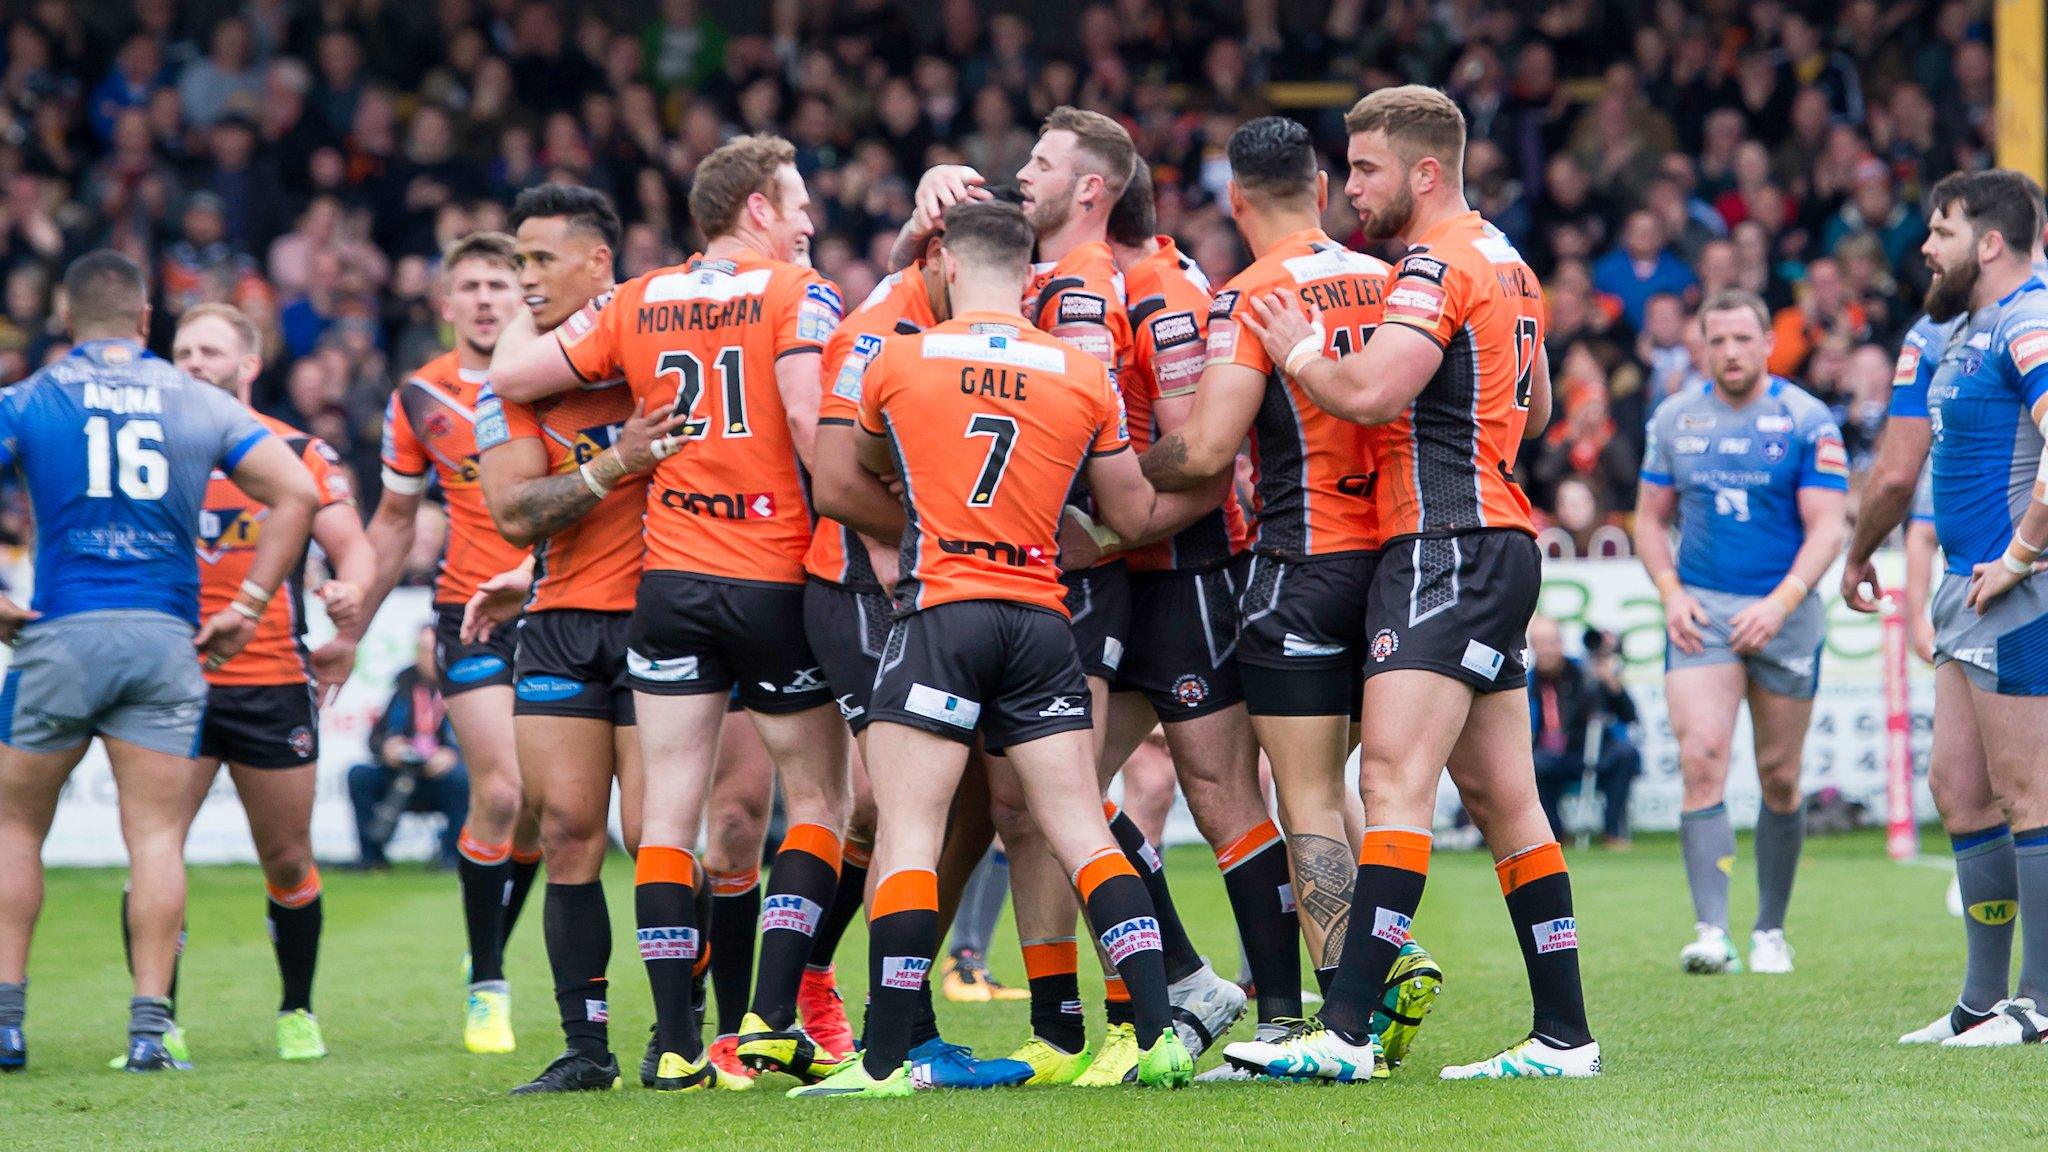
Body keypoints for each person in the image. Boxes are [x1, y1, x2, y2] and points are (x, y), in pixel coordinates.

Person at [794, 197, 1208, 1097]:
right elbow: (1129, 511)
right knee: (1080, 827)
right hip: (1042, 618)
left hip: (942, 608)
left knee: (909, 829)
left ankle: (882, 1060)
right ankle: (1153, 1035)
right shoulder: (1079, 372)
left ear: (942, 264)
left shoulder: (900, 359)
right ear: (1029, 276)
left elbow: (853, 471)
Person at [1221, 85, 1594, 1082]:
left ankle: (1341, 1034)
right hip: (1499, 539)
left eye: (1368, 170)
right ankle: (1564, 1035)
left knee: (1388, 779)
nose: (1349, 190)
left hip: (1441, 544)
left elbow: (1372, 390)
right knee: (1505, 796)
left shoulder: (1432, 262)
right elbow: (1541, 399)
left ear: (1424, 172)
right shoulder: (1505, 256)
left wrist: (1290, 339)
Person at [490, 134, 852, 1092]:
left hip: (670, 587)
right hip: (772, 577)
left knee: (669, 822)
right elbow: (816, 437)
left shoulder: (640, 299)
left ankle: (680, 1048)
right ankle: (771, 1016)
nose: (810, 221)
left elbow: (513, 379)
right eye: (799, 203)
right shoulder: (794, 294)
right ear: (758, 209)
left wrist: (540, 321)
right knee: (818, 803)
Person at [1139, 114, 1445, 1076]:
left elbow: (1204, 450)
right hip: (1395, 564)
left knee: (1305, 793)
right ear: (1321, 188)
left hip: (1298, 571)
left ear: (1236, 200)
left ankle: (1341, 1017)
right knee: (1379, 782)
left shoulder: (1250, 296)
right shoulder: (1392, 278)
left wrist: (1112, 460)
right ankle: (1386, 967)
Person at [0, 250, 318, 1074]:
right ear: (148, 322)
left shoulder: (30, 398)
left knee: (12, 826)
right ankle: (148, 1031)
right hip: (165, 637)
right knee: (153, 837)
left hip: (60, 631)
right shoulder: (197, 399)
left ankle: (5, 1023)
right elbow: (298, 493)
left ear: (68, 320)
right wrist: (247, 607)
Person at [1843, 169, 2048, 1046]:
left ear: (1990, 242)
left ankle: (2038, 1003)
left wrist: (2023, 554)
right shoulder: (1956, 327)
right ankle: (1979, 1002)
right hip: (1970, 588)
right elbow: (1898, 468)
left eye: (1941, 229)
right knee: (1960, 791)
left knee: (2027, 790)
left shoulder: (2030, 316)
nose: (1924, 246)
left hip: (2019, 587)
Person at [465, 185, 657, 1093]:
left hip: (666, 614)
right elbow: (512, 512)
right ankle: (587, 1051)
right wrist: (616, 464)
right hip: (563, 624)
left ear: (597, 262)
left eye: (539, 260)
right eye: (516, 260)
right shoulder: (507, 389)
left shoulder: (658, 351)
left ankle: (683, 1039)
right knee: (570, 833)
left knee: (657, 835)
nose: (521, 280)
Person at [159, 302, 374, 1063]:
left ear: (248, 365)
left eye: (210, 350)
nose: (192, 362)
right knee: (156, 851)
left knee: (287, 858)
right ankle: (157, 1025)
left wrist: (348, 606)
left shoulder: (298, 452)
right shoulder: (145, 453)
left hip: (271, 679)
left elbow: (356, 552)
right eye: (182, 349)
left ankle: (296, 1010)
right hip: (169, 682)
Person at [350, 230, 539, 1057]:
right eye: (473, 285)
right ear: (446, 303)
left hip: (563, 601)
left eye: (501, 282)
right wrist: (353, 606)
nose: (488, 298)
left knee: (549, 810)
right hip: (470, 609)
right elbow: (394, 521)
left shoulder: (554, 380)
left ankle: (488, 936)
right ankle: (487, 985)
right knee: (500, 788)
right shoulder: (420, 397)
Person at [1633, 289, 1848, 976]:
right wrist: (1669, 592)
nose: (1729, 352)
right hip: (1703, 613)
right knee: (1702, 757)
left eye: (1741, 340)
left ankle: (1770, 931)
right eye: (1716, 340)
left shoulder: (1807, 419)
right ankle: (1711, 931)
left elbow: (1828, 527)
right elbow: (1647, 519)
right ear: (1702, 346)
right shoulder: (1674, 417)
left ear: (1766, 343)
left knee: (1780, 779)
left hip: (1784, 614)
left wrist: (1781, 604)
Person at [347, 625, 473, 870]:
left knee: (461, 779)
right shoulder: (403, 688)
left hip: (441, 779)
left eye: (435, 650)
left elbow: (484, 741)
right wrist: (388, 747)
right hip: (402, 774)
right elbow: (376, 737)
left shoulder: (464, 689)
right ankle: (371, 858)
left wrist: (454, 754)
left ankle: (452, 856)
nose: (430, 657)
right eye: (424, 650)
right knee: (359, 776)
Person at [1527, 619, 1641, 846]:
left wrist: (1610, 681)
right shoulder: (1527, 682)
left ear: (1561, 643)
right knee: (1531, 764)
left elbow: (1629, 715)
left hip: (1589, 750)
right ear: (1532, 646)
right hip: (1550, 755)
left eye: (1552, 642)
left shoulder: (1585, 672)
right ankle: (1555, 836)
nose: (1547, 649)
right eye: (1541, 643)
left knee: (1625, 754)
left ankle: (1613, 832)